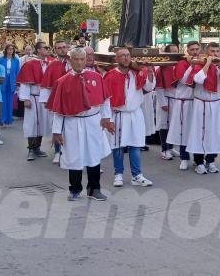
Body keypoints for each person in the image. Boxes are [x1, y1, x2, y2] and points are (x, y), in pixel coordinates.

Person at [49, 48, 112, 201]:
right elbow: (58, 109)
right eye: (75, 59)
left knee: (94, 155)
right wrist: (57, 131)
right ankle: (75, 188)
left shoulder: (97, 77)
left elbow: (105, 100)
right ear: (70, 60)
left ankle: (94, 189)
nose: (79, 62)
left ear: (86, 60)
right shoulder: (62, 82)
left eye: (82, 59)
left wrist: (106, 118)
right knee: (74, 156)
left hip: (93, 122)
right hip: (72, 123)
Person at [103, 47, 155, 187]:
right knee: (118, 146)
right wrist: (107, 119)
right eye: (122, 56)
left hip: (135, 114)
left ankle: (137, 175)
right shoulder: (110, 75)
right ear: (116, 59)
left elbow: (149, 87)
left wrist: (149, 70)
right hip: (118, 114)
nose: (126, 58)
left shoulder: (137, 73)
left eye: (128, 55)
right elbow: (105, 99)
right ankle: (118, 174)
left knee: (136, 145)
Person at [185, 42, 220, 174]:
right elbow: (198, 79)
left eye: (217, 51)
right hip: (201, 104)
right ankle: (199, 162)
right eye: (212, 51)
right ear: (207, 53)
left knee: (215, 133)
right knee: (199, 133)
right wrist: (207, 64)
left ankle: (211, 160)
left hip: (217, 104)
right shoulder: (200, 66)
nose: (215, 54)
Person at [167, 41, 200, 170]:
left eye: (197, 49)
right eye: (192, 49)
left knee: (196, 131)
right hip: (184, 101)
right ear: (187, 51)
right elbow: (183, 80)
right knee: (183, 131)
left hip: (197, 101)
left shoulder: (203, 62)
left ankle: (198, 159)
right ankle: (184, 158)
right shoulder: (181, 63)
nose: (195, 52)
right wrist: (191, 67)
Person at [18, 42, 54, 161]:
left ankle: (38, 147)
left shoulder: (51, 63)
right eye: (46, 48)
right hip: (33, 97)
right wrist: (25, 99)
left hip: (45, 98)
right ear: (38, 50)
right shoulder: (30, 64)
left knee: (42, 123)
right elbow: (24, 82)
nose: (48, 49)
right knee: (32, 123)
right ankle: (31, 149)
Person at [42, 40, 72, 163]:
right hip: (57, 100)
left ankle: (70, 152)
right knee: (57, 127)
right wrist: (46, 101)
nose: (62, 50)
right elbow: (46, 84)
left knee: (71, 128)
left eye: (64, 47)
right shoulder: (52, 65)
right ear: (55, 50)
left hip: (71, 100)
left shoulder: (73, 63)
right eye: (59, 48)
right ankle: (57, 152)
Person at [155, 44, 179, 161]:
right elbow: (159, 87)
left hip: (176, 99)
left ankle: (171, 147)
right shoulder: (162, 68)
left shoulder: (178, 65)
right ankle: (164, 149)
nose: (175, 53)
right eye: (172, 51)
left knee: (173, 125)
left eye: (176, 51)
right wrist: (163, 103)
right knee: (164, 124)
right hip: (166, 98)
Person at [0, 43, 20, 127]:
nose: (10, 51)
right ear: (6, 50)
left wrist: (18, 83)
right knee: (3, 101)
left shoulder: (16, 60)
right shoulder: (1, 59)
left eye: (12, 49)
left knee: (10, 101)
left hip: (12, 81)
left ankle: (9, 119)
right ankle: (2, 120)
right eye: (9, 49)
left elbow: (18, 72)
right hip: (3, 80)